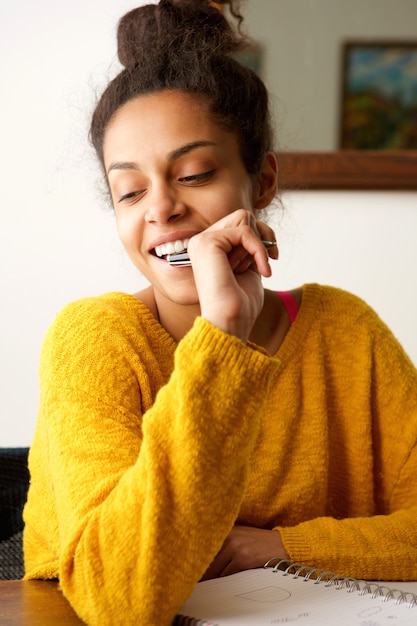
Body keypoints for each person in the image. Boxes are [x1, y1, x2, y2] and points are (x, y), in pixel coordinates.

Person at [23, 1, 417, 625]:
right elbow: (118, 595)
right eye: (129, 191)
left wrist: (282, 546)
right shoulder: (93, 339)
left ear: (261, 182)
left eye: (196, 173)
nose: (161, 209)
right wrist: (222, 334)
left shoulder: (347, 331)